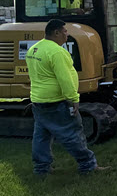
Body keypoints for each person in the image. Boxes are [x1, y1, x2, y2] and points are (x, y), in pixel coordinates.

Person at [26, 19, 108, 175]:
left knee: (41, 137)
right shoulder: (57, 52)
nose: (67, 35)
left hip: (38, 102)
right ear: (56, 32)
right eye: (64, 31)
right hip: (57, 102)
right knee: (72, 134)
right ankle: (88, 166)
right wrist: (73, 98)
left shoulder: (34, 49)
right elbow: (65, 78)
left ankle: (41, 169)